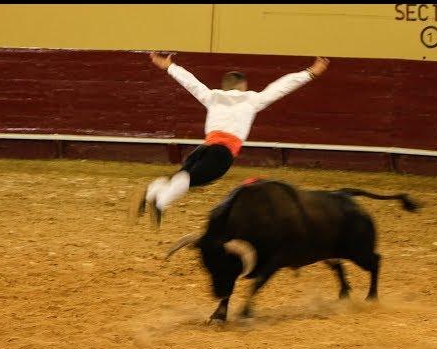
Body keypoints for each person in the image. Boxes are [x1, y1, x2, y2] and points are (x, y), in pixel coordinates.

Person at [129, 52, 330, 227]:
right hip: (222, 153)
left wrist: (170, 66)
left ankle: (153, 190)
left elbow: (191, 83)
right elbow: (281, 87)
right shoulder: (252, 99)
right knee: (190, 179)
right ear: (243, 86)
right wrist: (311, 72)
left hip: (203, 149)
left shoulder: (213, 96)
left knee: (184, 175)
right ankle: (160, 200)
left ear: (225, 87)